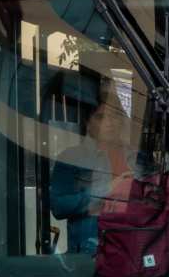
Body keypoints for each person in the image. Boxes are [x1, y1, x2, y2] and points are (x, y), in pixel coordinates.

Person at [50, 100, 135, 254]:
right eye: (101, 117)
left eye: (114, 116)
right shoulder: (71, 157)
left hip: (134, 247)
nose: (109, 122)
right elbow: (58, 206)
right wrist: (107, 190)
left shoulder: (136, 157)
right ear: (88, 122)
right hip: (92, 254)